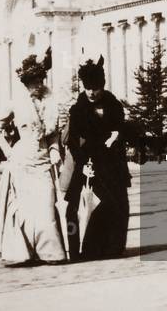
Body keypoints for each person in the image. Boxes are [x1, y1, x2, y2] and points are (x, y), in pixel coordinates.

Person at [0, 51, 67, 266]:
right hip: (22, 162)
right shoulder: (16, 103)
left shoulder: (51, 103)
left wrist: (54, 149)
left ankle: (50, 252)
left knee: (46, 206)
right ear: (26, 83)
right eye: (34, 82)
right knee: (24, 208)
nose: (38, 85)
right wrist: (9, 151)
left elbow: (53, 134)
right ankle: (22, 252)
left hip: (43, 162)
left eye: (40, 80)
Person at [64, 57, 131, 260]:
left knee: (116, 205)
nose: (92, 92)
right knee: (77, 208)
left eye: (95, 88)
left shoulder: (114, 105)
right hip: (88, 164)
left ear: (102, 86)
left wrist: (118, 135)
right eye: (88, 88)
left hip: (111, 165)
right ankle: (83, 249)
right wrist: (82, 165)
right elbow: (73, 142)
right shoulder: (77, 110)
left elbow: (122, 128)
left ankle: (112, 247)